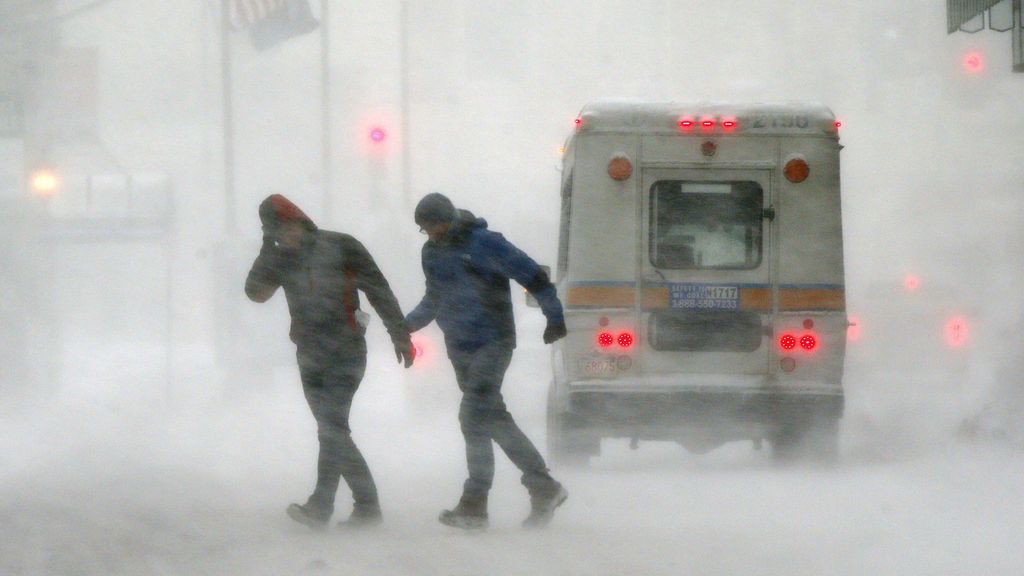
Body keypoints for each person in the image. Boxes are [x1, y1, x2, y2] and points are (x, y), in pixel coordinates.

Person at [245, 194, 414, 530]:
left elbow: (378, 288)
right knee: (331, 431)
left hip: (346, 351)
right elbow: (255, 293)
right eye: (274, 233)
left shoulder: (341, 246)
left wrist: (400, 333)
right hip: (309, 355)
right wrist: (267, 249)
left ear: (298, 221)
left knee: (332, 428)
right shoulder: (280, 257)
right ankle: (365, 507)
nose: (283, 238)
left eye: (283, 230)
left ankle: (323, 505)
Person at [405, 192, 569, 530]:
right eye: (425, 230)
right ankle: (543, 487)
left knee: (471, 415)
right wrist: (402, 326)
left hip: (494, 341)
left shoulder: (484, 242)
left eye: (433, 226)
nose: (431, 234)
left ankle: (475, 503)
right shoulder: (432, 253)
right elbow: (433, 298)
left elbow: (533, 276)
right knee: (491, 418)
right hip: (459, 347)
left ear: (448, 219)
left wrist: (554, 316)